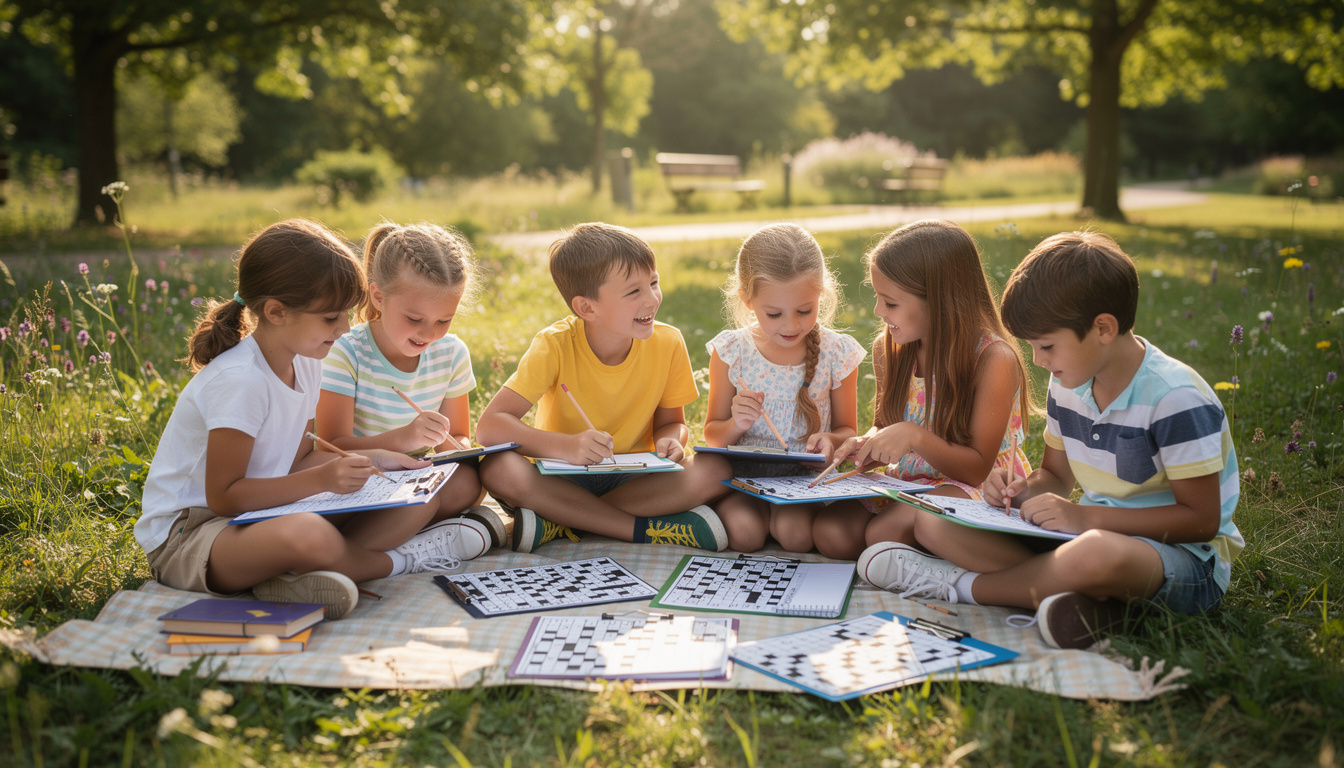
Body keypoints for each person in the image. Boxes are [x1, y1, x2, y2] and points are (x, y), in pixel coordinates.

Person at [857, 231, 1244, 650]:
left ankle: (962, 588)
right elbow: (1056, 478)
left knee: (1095, 554)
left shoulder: (1175, 398)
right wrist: (1018, 490)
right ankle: (1087, 604)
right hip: (1085, 540)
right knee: (936, 522)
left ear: (1103, 329)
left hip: (1186, 562)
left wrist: (1084, 519)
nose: (1039, 362)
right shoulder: (1069, 385)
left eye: (1047, 346)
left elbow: (1201, 521)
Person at [134, 219, 492, 621]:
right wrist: (323, 480)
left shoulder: (306, 363)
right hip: (194, 533)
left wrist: (379, 459)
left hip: (264, 514)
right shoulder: (241, 381)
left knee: (416, 494)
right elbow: (224, 497)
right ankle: (399, 561)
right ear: (276, 312)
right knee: (307, 533)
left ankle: (301, 574)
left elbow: (302, 458)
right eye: (331, 318)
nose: (345, 328)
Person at [475, 222, 732, 553]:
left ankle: (558, 522)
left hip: (636, 478)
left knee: (716, 468)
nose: (652, 298)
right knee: (498, 468)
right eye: (633, 291)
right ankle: (641, 530)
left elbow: (673, 422)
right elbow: (490, 426)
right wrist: (568, 447)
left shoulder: (668, 342)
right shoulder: (553, 346)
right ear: (586, 308)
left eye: (654, 283)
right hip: (561, 475)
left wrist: (672, 440)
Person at [812, 219, 1032, 560]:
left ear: (941, 301)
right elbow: (885, 424)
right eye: (878, 298)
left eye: (891, 303)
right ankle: (912, 555)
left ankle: (934, 561)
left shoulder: (992, 359)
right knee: (831, 533)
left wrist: (914, 436)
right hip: (909, 480)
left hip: (976, 485)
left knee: (883, 533)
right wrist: (868, 443)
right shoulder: (892, 349)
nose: (878, 312)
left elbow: (976, 468)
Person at [315, 222, 505, 547]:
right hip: (365, 475)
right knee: (424, 500)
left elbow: (457, 435)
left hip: (418, 475)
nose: (428, 334)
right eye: (414, 319)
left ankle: (396, 534)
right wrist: (405, 438)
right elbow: (330, 446)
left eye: (444, 321)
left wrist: (458, 447)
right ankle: (372, 548)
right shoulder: (347, 351)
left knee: (468, 484)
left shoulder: (452, 353)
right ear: (378, 296)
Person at [703, 223, 865, 552]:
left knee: (797, 536)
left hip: (802, 483)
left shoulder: (837, 354)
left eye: (804, 311)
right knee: (746, 535)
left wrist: (830, 441)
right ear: (747, 300)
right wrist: (736, 423)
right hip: (743, 482)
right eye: (774, 314)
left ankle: (776, 522)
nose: (791, 325)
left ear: (821, 293)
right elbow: (712, 435)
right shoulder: (732, 352)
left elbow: (848, 431)